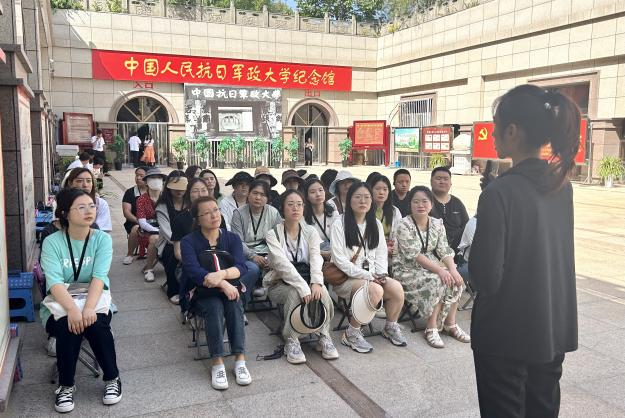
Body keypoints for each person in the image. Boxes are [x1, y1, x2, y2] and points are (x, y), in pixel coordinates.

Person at [469, 84, 579, 417]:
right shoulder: (561, 186)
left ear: (512, 131)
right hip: (551, 326)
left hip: (505, 333)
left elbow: (485, 277)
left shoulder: (498, 193)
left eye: (496, 127)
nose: (493, 134)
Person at [40, 188, 121, 413]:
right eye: (81, 207)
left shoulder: (102, 239)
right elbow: (54, 282)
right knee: (68, 325)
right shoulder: (52, 242)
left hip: (95, 299)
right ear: (65, 213)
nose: (89, 211)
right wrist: (73, 311)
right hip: (60, 302)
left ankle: (112, 378)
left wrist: (88, 308)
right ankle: (66, 385)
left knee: (97, 325)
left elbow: (99, 277)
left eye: (92, 206)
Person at [180, 197, 252, 390]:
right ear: (197, 219)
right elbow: (194, 272)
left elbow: (241, 267)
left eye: (216, 210)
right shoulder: (189, 241)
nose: (214, 215)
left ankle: (240, 360)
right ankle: (217, 363)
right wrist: (224, 284)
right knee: (214, 306)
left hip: (229, 290)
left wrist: (221, 275)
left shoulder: (232, 238)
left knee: (234, 304)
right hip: (202, 292)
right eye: (207, 212)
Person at [330, 181, 407, 353]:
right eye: (357, 197)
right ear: (349, 200)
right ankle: (351, 333)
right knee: (375, 290)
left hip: (372, 276)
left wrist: (382, 274)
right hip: (347, 279)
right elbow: (339, 260)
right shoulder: (339, 223)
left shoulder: (375, 223)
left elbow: (381, 254)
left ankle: (390, 327)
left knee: (396, 288)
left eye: (366, 197)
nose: (362, 201)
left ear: (371, 201)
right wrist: (369, 276)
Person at [265, 190, 338, 363]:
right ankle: (292, 339)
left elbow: (316, 258)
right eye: (290, 204)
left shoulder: (310, 231)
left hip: (307, 279)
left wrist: (317, 282)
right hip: (279, 283)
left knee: (323, 293)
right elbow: (282, 265)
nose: (295, 208)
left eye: (299, 204)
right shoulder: (273, 234)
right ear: (282, 208)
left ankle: (324, 335)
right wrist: (303, 287)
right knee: (294, 293)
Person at [392, 186, 468, 349]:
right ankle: (431, 327)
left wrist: (452, 269)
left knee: (456, 280)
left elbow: (444, 249)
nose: (420, 205)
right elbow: (414, 254)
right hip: (407, 269)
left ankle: (450, 324)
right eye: (416, 201)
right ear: (410, 204)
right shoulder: (403, 224)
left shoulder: (437, 223)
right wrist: (440, 270)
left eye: (424, 201)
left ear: (431, 204)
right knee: (438, 281)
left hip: (432, 265)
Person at [231, 180, 282, 302]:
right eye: (255, 193)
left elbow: (280, 239)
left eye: (262, 194)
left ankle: (265, 288)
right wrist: (253, 256)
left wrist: (270, 257)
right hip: (246, 254)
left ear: (267, 198)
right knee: (253, 269)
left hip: (268, 253)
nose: (258, 197)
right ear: (248, 194)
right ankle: (239, 302)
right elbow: (238, 241)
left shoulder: (273, 212)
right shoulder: (238, 213)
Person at [156, 171, 188, 304]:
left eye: (182, 187)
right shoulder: (162, 207)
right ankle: (173, 290)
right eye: (175, 186)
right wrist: (181, 244)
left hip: (190, 242)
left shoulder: (191, 203)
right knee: (172, 254)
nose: (179, 191)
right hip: (169, 243)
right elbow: (166, 232)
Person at [136, 168, 166, 282]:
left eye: (159, 178)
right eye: (153, 178)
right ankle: (149, 269)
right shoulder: (141, 200)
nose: (156, 180)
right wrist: (159, 231)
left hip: (166, 228)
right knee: (154, 239)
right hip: (147, 232)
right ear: (147, 182)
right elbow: (142, 223)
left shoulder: (166, 198)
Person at [429, 167, 469, 254]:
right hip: (431, 252)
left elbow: (466, 227)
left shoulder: (457, 203)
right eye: (438, 178)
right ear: (431, 181)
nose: (442, 181)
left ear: (450, 183)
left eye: (446, 179)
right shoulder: (425, 201)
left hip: (456, 252)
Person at [64, 168, 112, 232]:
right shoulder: (63, 203)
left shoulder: (101, 204)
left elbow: (103, 230)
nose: (85, 185)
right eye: (79, 181)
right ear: (70, 183)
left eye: (89, 181)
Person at [303, 178, 339, 260]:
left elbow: (340, 239)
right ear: (307, 196)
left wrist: (332, 253)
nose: (318, 194)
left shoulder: (333, 213)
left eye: (320, 190)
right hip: (312, 257)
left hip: (334, 255)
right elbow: (303, 245)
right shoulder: (303, 217)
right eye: (313, 192)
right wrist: (323, 253)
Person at [368, 174, 402, 256]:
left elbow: (399, 233)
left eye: (385, 189)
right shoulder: (365, 210)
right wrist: (383, 248)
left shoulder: (395, 211)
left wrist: (393, 247)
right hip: (371, 251)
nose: (381, 192)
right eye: (377, 189)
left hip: (390, 253)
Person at [122, 166, 147, 265]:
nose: (138, 178)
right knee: (136, 228)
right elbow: (126, 212)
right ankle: (129, 254)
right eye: (137, 175)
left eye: (141, 176)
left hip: (152, 221)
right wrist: (140, 221)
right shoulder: (130, 192)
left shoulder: (154, 191)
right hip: (134, 222)